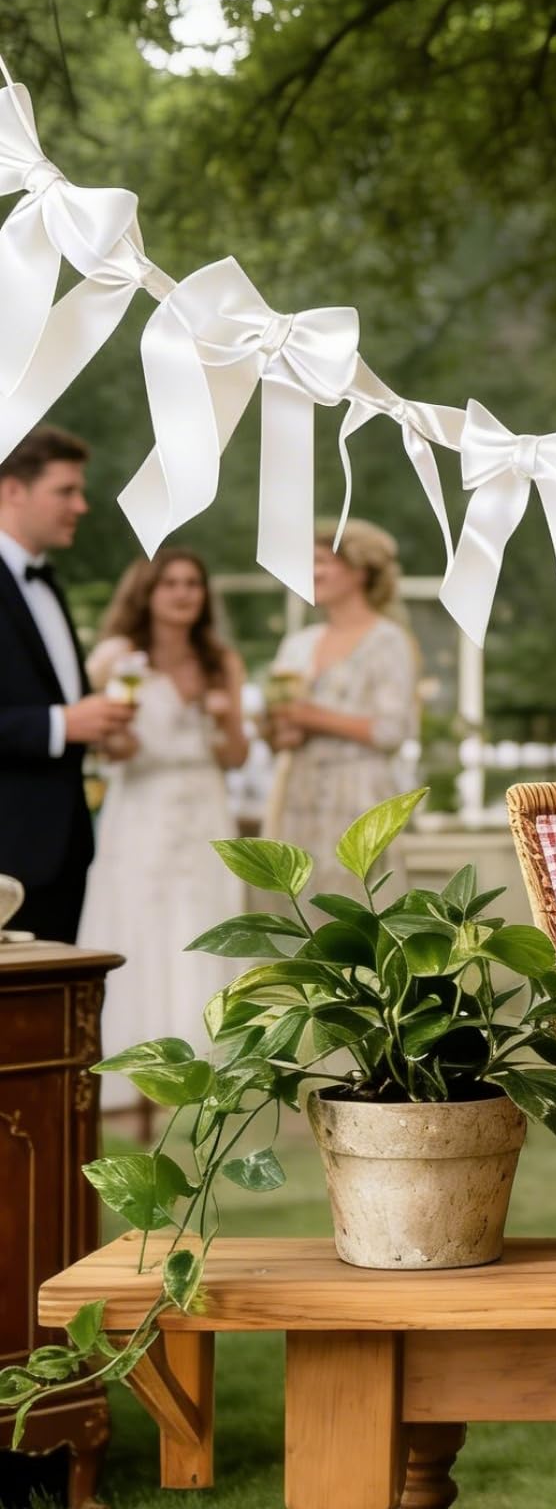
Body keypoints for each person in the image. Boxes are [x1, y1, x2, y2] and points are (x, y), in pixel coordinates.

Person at [77, 549, 251, 1116]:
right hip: (142, 804)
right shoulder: (116, 657)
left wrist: (225, 716)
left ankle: (207, 1060)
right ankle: (136, 1062)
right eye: (170, 583)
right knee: (139, 918)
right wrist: (118, 730)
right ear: (146, 592)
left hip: (203, 802)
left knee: (206, 919)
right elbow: (108, 747)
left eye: (193, 584)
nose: (182, 594)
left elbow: (236, 754)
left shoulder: (220, 659)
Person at [0, 426, 133, 942]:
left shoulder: (47, 580)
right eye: (65, 491)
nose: (81, 506)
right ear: (13, 489)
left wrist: (95, 722)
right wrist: (62, 723)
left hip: (66, 851)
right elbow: (53, 718)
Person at [266, 519, 420, 878]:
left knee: (356, 901)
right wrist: (280, 731)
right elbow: (277, 728)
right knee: (298, 902)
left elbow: (391, 731)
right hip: (297, 792)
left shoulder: (388, 641)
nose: (312, 572)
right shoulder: (298, 643)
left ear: (360, 571)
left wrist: (312, 717)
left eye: (322, 561)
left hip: (359, 794)